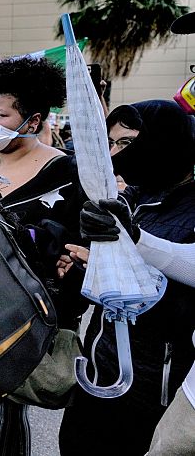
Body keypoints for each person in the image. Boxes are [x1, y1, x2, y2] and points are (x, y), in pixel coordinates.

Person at [0, 56, 87, 456]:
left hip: (18, 322)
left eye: (1, 114)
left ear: (32, 121)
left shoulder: (67, 172)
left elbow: (80, 249)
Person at [57, 101, 195, 456]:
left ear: (164, 140)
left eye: (128, 143)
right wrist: (83, 271)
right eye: (111, 143)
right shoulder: (130, 197)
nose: (116, 154)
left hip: (157, 384)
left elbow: (182, 301)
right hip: (103, 368)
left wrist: (129, 266)